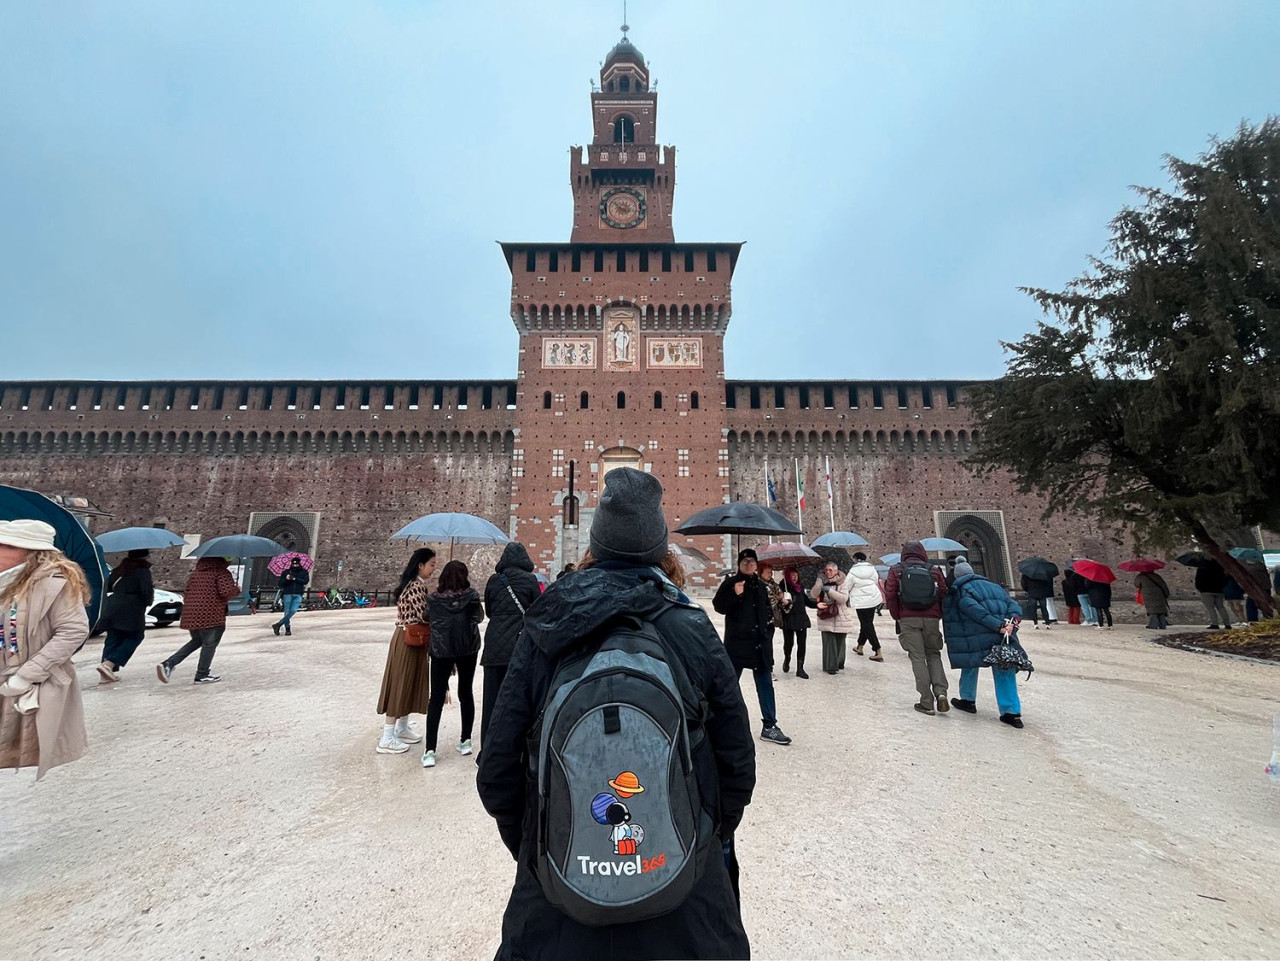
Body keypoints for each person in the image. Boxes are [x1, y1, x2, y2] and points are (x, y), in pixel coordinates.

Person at [477, 468, 755, 960]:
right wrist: (701, 835)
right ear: (658, 547)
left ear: (595, 543)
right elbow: (737, 763)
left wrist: (545, 845)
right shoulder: (692, 627)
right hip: (685, 903)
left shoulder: (545, 628)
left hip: (559, 905)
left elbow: (497, 769)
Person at [0, 519, 90, 780]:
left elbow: (72, 631)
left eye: (5, 545)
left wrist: (26, 675)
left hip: (23, 681)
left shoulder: (56, 583)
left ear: (29, 552)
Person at [714, 548, 792, 744]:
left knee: (765, 684)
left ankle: (770, 726)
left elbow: (766, 609)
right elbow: (719, 607)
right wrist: (735, 594)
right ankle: (721, 724)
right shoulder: (731, 583)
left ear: (756, 564)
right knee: (729, 685)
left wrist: (767, 626)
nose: (749, 564)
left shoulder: (761, 585)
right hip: (738, 644)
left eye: (752, 561)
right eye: (745, 561)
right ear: (739, 563)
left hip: (760, 644)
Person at [943, 560, 1027, 728]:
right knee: (1004, 668)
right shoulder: (996, 587)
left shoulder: (962, 589)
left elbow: (975, 611)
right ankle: (1011, 712)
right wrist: (1012, 625)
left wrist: (998, 626)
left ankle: (967, 700)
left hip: (977, 636)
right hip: (1002, 637)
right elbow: (1015, 608)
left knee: (970, 664)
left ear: (958, 576)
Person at [423, 560, 484, 768]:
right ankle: (465, 741)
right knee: (466, 693)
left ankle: (430, 750)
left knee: (436, 698)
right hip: (467, 649)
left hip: (441, 651)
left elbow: (426, 617)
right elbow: (478, 618)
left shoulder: (433, 599)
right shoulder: (473, 596)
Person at [481, 541, 541, 750]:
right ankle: (516, 747)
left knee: (491, 698)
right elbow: (536, 611)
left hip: (494, 645)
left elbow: (488, 611)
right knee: (519, 698)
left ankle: (487, 748)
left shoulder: (494, 581)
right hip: (520, 645)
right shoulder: (530, 580)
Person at [375, 548, 436, 754]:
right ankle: (387, 736)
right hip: (409, 639)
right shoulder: (417, 587)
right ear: (420, 565)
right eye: (432, 564)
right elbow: (424, 615)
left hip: (409, 638)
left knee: (408, 681)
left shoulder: (411, 585)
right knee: (400, 683)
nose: (433, 569)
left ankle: (401, 728)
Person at [884, 541, 949, 715]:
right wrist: (938, 614)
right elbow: (943, 592)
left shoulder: (897, 570)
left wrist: (897, 615)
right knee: (934, 655)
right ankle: (941, 693)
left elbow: (890, 595)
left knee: (917, 658)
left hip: (908, 617)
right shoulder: (934, 570)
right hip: (932, 618)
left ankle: (926, 702)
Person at [156, 555, 240, 685]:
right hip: (212, 614)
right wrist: (237, 589)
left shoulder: (196, 573)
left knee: (197, 641)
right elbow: (226, 591)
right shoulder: (221, 572)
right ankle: (202, 674)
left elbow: (187, 591)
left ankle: (169, 663)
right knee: (209, 644)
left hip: (192, 615)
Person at [97, 549, 154, 683]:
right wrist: (148, 600)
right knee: (136, 636)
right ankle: (109, 664)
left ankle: (105, 674)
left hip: (113, 605)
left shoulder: (119, 569)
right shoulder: (143, 571)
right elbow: (145, 592)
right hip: (131, 608)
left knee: (113, 638)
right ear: (144, 556)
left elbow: (109, 585)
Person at [808, 560, 857, 675]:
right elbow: (813, 595)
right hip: (826, 614)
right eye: (826, 570)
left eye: (830, 570)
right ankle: (830, 666)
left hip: (840, 614)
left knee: (840, 641)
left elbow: (844, 598)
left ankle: (839, 662)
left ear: (836, 571)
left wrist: (829, 591)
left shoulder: (842, 582)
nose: (828, 572)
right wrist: (819, 583)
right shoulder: (822, 581)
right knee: (828, 641)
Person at [846, 552, 885, 661]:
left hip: (860, 601)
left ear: (855, 559)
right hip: (872, 598)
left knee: (866, 624)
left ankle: (877, 649)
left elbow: (847, 586)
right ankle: (860, 646)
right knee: (867, 623)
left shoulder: (852, 572)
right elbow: (876, 581)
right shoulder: (872, 569)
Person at [778, 565, 814, 678]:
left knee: (801, 644)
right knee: (789, 643)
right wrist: (783, 600)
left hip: (801, 618)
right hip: (789, 618)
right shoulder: (782, 587)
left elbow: (807, 601)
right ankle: (787, 658)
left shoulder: (800, 587)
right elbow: (778, 604)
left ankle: (800, 668)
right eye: (792, 575)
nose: (794, 577)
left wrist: (818, 605)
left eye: (796, 575)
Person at [271, 557, 309, 636]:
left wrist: (295, 578)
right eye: (293, 564)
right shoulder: (286, 572)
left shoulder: (304, 572)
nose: (295, 565)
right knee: (287, 611)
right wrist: (287, 579)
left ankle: (278, 624)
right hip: (287, 593)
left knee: (293, 610)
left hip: (298, 593)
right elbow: (280, 584)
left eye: (296, 564)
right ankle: (287, 628)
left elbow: (305, 581)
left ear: (299, 564)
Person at [1194, 558, 1231, 629]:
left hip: (1206, 591)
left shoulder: (1202, 568)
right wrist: (1222, 587)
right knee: (1221, 607)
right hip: (1219, 590)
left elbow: (1198, 579)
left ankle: (1215, 624)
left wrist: (1200, 588)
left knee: (1210, 608)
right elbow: (1225, 579)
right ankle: (1227, 624)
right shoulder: (1220, 567)